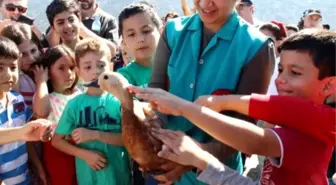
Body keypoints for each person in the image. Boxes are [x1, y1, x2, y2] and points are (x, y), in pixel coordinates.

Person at [128, 29, 336, 185]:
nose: (281, 80)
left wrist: (186, 108)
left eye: (295, 73)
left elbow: (254, 141)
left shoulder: (312, 137)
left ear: (329, 85)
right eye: (280, 70)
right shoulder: (293, 124)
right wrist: (201, 159)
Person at [148, 0, 275, 184]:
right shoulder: (173, 31)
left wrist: (194, 157)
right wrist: (156, 131)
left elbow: (244, 129)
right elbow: (156, 89)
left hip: (215, 174)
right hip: (163, 162)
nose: (206, 3)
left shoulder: (256, 47)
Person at [51, 38, 131, 185]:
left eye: (101, 65)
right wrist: (84, 154)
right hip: (88, 178)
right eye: (88, 67)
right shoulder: (73, 105)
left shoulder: (121, 100)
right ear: (78, 72)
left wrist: (95, 135)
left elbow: (129, 139)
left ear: (111, 66)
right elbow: (57, 141)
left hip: (119, 176)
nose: (96, 71)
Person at [0, 36, 47, 185]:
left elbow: (26, 137)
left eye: (13, 67)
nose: (8, 74)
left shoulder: (17, 99)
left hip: (24, 179)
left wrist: (38, 167)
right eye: (0, 68)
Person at [32, 45, 80, 185]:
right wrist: (41, 81)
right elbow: (42, 112)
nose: (69, 73)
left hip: (81, 151)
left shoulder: (79, 93)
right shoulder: (46, 97)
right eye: (61, 68)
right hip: (58, 155)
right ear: (48, 72)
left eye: (71, 68)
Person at [45, 0, 116, 54]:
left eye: (71, 20)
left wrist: (81, 29)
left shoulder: (108, 20)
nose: (68, 25)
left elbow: (113, 51)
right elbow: (50, 46)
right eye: (61, 22)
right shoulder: (64, 11)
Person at [117, 3, 162, 87]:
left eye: (146, 31)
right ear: (124, 40)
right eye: (131, 34)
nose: (140, 39)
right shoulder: (124, 78)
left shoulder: (177, 66)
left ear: (161, 31)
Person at [1, 23, 44, 108]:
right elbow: (15, 104)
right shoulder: (9, 76)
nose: (31, 58)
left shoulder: (47, 63)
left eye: (33, 50)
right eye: (23, 54)